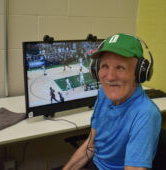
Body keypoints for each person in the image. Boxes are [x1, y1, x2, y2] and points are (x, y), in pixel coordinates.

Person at [62, 33, 162, 170]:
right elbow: (91, 144)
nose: (109, 77)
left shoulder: (145, 114)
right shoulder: (104, 94)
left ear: (140, 73)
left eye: (120, 67)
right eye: (104, 66)